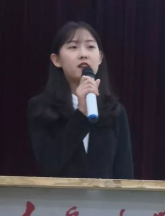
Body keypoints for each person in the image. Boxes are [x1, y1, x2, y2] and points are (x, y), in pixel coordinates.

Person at [28, 21, 134, 179]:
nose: (83, 54)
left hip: (105, 196)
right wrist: (81, 115)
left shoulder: (115, 111)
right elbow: (48, 166)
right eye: (73, 47)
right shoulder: (41, 108)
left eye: (90, 47)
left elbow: (125, 174)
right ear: (56, 60)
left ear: (100, 58)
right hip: (60, 195)